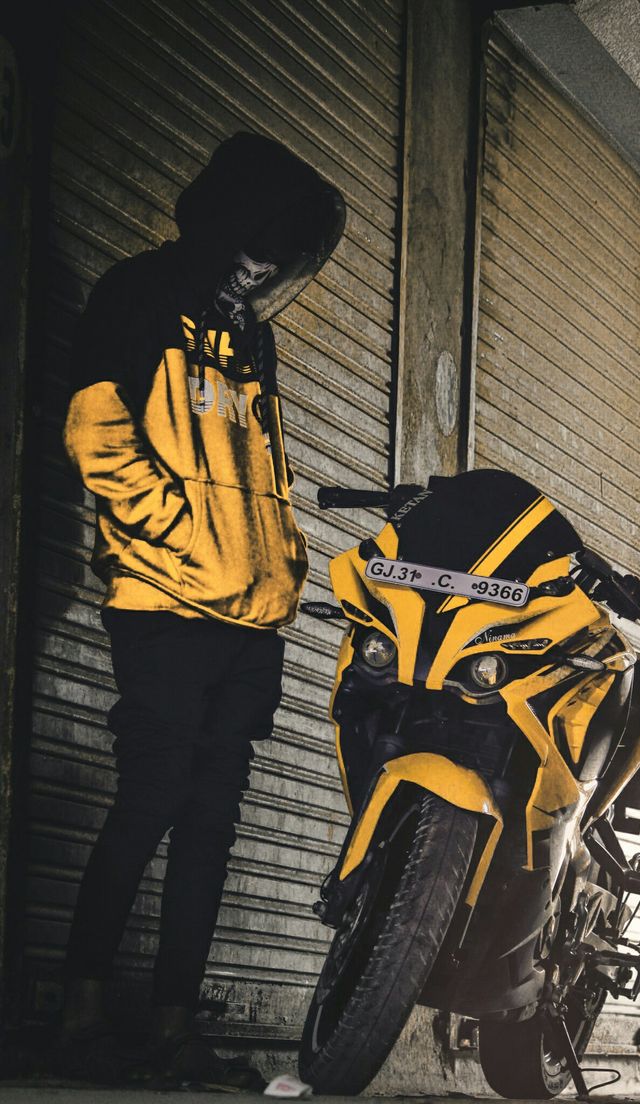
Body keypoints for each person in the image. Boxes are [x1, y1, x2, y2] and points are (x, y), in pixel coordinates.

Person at [58, 133, 345, 1085]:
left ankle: (176, 1026)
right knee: (149, 800)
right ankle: (82, 1013)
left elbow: (259, 469)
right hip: (165, 607)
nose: (266, 271)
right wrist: (180, 533)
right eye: (258, 248)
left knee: (212, 825)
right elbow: (96, 430)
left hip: (248, 621)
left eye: (280, 257)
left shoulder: (247, 333)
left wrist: (285, 565)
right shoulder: (138, 294)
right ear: (225, 227)